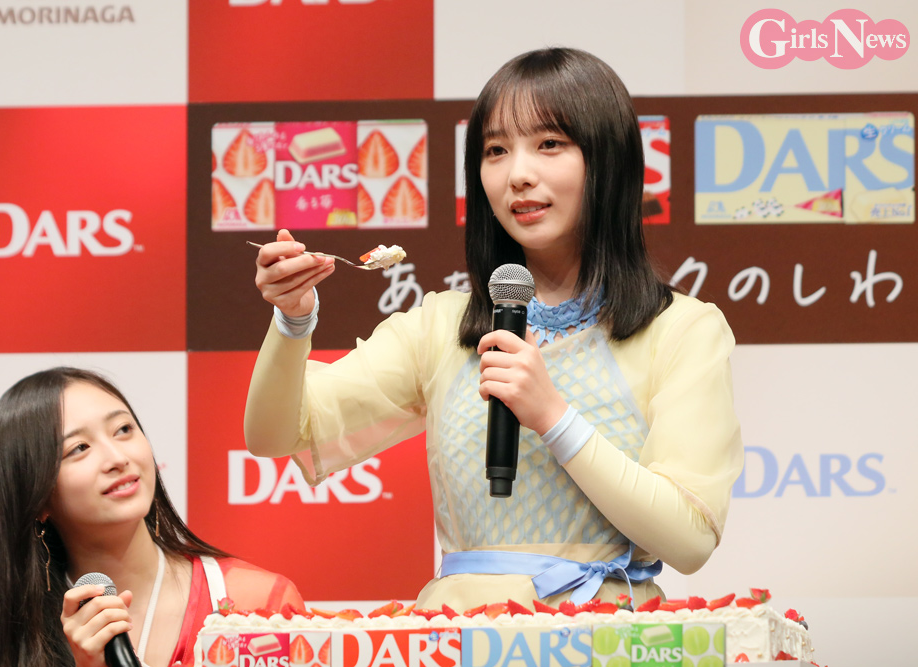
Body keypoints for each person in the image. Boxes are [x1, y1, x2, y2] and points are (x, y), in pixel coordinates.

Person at [245, 47, 743, 611]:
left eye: (549, 144)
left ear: (610, 159)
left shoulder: (682, 330)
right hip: (457, 633)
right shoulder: (440, 327)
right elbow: (274, 436)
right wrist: (293, 320)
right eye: (496, 150)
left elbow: (689, 539)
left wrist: (552, 417)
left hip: (603, 636)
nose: (518, 174)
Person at [0, 367, 303, 667]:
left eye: (123, 429)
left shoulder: (261, 607)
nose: (117, 458)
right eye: (79, 448)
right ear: (36, 498)